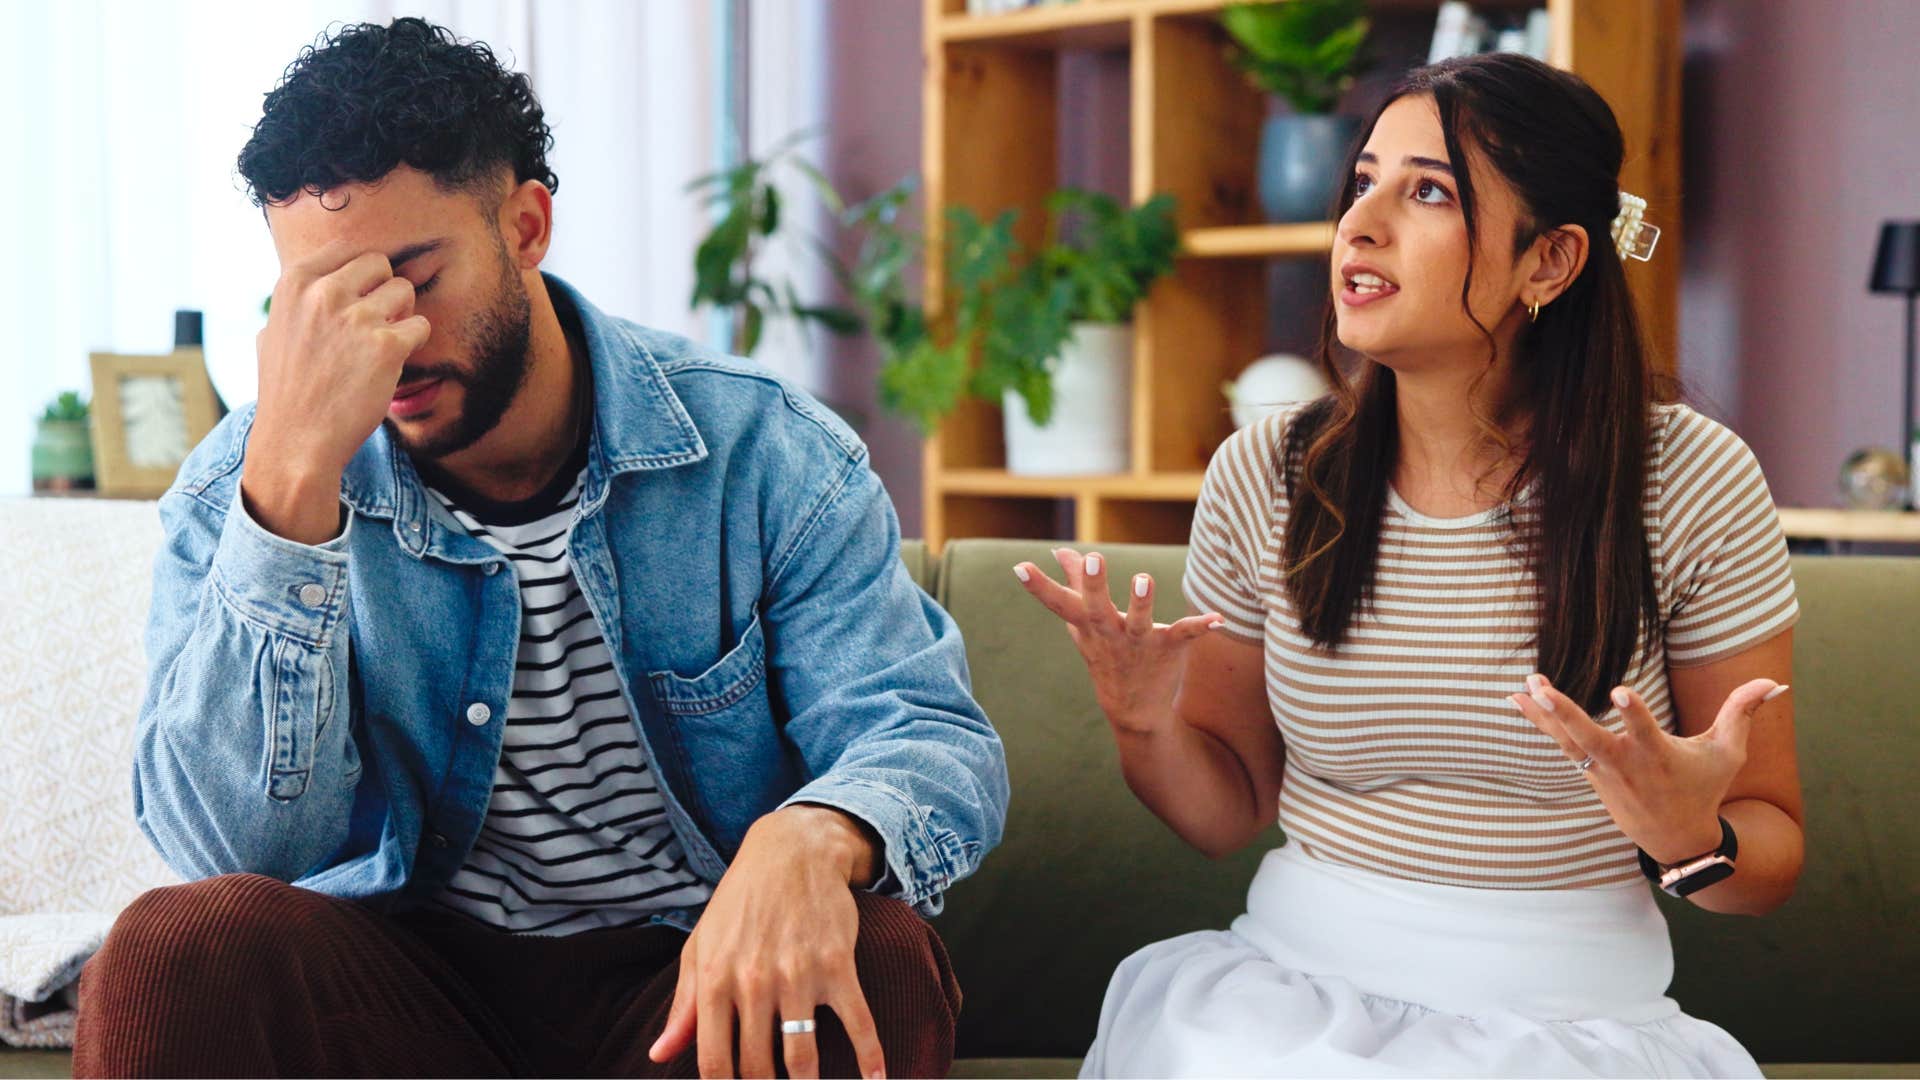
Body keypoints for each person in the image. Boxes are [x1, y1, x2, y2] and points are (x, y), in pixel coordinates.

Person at [74, 17, 1008, 1079]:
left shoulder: (765, 455)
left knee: (874, 957)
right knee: (169, 948)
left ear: (525, 225)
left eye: (413, 276)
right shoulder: (244, 487)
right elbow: (232, 852)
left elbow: (928, 733)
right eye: (331, 300)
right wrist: (290, 490)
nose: (387, 340)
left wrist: (815, 835)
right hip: (398, 982)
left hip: (685, 986)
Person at [1017, 53, 1799, 1078]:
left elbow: (1770, 854)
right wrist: (1140, 718)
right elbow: (1225, 812)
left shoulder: (1689, 479)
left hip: (1568, 1020)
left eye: (1428, 190)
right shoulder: (1268, 470)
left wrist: (1691, 834)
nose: (1362, 223)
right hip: (1289, 995)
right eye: (1364, 182)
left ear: (1551, 262)